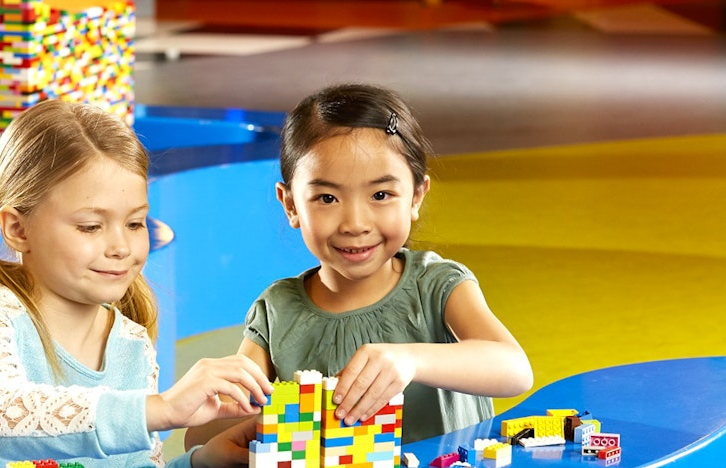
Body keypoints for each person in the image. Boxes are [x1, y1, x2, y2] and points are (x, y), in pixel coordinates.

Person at [0, 98, 272, 468]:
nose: (121, 247)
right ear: (18, 229)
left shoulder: (132, 343)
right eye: (91, 226)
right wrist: (161, 409)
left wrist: (199, 464)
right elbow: (0, 418)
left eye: (136, 223)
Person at [189, 83, 532, 447]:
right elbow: (201, 434)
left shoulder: (437, 284)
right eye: (327, 197)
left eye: (380, 195)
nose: (355, 223)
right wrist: (268, 413)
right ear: (290, 204)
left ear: (416, 196)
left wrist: (410, 361)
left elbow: (513, 369)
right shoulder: (277, 311)